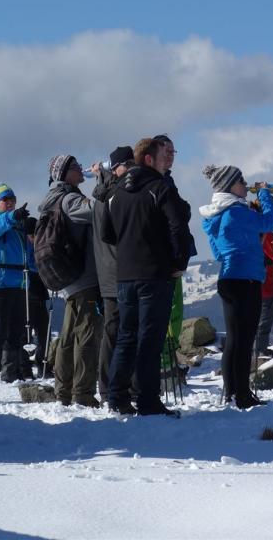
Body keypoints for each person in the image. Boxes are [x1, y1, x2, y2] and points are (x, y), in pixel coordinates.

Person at [102, 138, 193, 416]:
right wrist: (179, 261)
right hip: (155, 273)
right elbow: (179, 225)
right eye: (164, 154)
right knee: (150, 339)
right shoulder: (159, 188)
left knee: (127, 336)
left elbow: (106, 233)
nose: (170, 159)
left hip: (125, 275)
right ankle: (148, 400)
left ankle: (116, 397)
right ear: (149, 160)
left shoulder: (116, 192)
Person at [200, 164, 273, 408]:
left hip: (229, 277)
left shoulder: (214, 215)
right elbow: (270, 222)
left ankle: (232, 392)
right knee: (245, 340)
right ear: (230, 186)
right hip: (246, 279)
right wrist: (264, 194)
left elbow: (217, 251)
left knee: (234, 339)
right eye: (241, 181)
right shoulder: (237, 211)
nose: (245, 185)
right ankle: (243, 395)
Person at [38, 155, 101, 407]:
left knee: (68, 335)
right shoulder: (70, 199)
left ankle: (63, 390)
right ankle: (82, 392)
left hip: (68, 277)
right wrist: (103, 181)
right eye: (75, 167)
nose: (80, 170)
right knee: (88, 332)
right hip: (84, 274)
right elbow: (98, 209)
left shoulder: (50, 200)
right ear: (63, 173)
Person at [92, 145, 137, 404]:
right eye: (127, 165)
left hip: (108, 271)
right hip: (119, 269)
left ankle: (110, 386)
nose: (130, 169)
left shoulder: (101, 195)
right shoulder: (114, 195)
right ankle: (112, 387)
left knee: (113, 331)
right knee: (119, 332)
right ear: (117, 168)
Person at [152, 134, 197, 380]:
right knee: (169, 312)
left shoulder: (168, 180)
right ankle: (164, 364)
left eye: (173, 152)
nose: (170, 156)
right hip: (167, 258)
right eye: (166, 152)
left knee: (174, 311)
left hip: (174, 256)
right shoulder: (159, 183)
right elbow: (177, 216)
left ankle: (168, 361)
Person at [0, 183, 33, 383]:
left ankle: (10, 372)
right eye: (6, 200)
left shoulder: (19, 227)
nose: (10, 203)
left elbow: (29, 254)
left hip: (19, 282)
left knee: (16, 330)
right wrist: (14, 216)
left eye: (12, 200)